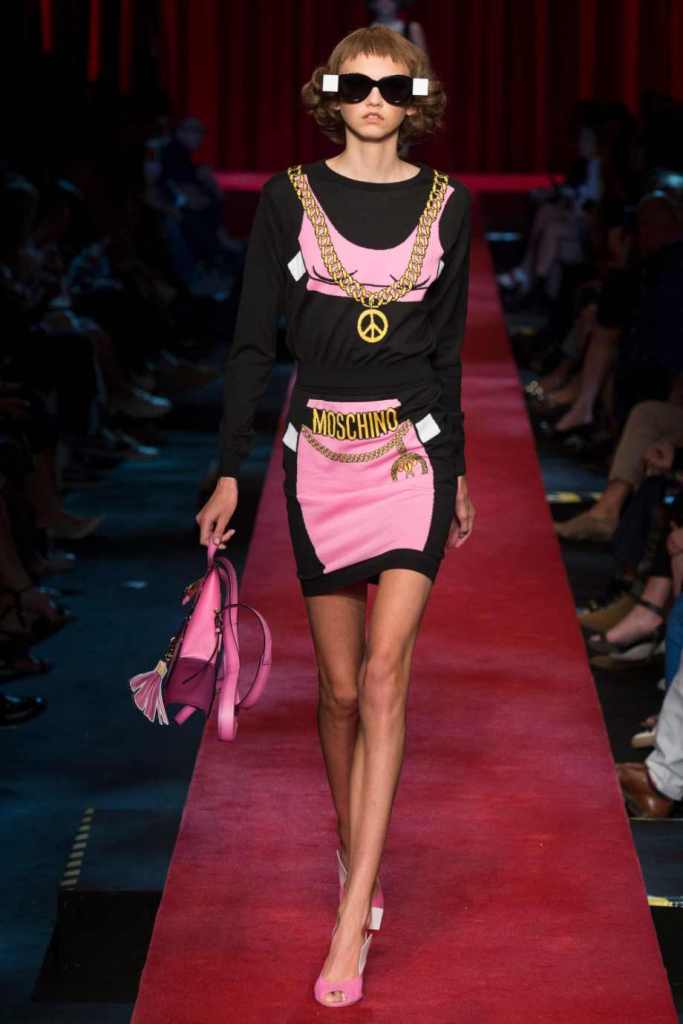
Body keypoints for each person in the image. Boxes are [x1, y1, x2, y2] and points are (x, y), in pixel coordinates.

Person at [196, 25, 475, 1008]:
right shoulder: (287, 198)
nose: (373, 99)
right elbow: (249, 344)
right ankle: (355, 848)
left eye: (392, 86)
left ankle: (351, 911)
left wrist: (456, 471)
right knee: (341, 691)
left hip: (409, 458)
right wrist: (229, 471)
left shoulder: (449, 204)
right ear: (330, 93)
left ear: (417, 97)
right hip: (316, 460)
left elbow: (445, 354)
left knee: (386, 676)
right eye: (355, 85)